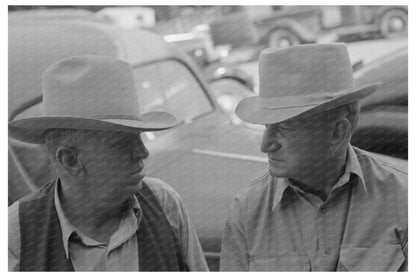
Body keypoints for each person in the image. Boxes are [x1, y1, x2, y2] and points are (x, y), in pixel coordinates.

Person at [8, 55, 209, 271]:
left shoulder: (164, 203)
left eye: (139, 137)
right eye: (122, 143)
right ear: (70, 160)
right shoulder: (17, 233)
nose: (143, 152)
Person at [220, 44, 407, 271]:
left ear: (337, 133)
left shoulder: (404, 198)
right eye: (267, 126)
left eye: (285, 128)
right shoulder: (247, 213)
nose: (265, 144)